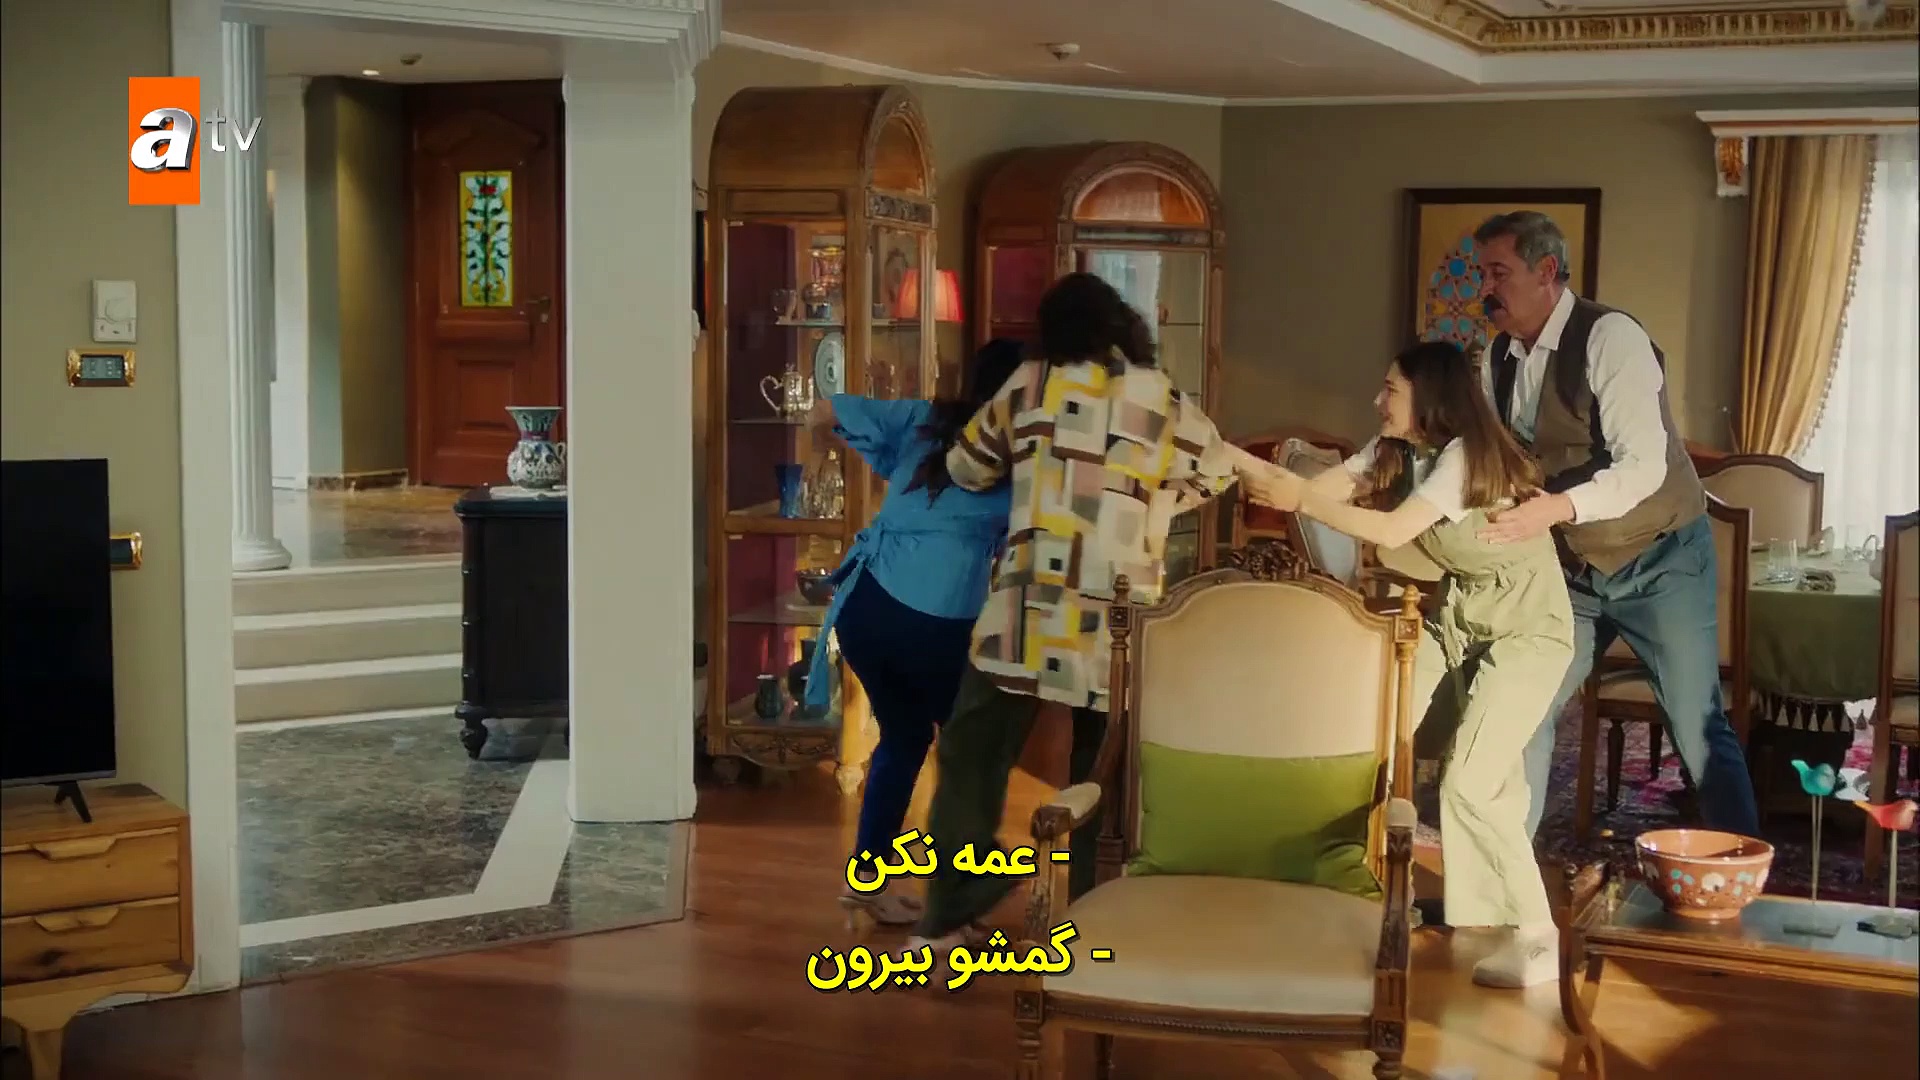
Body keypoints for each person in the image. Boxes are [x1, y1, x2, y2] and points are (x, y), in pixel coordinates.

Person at [906, 273, 1240, 955]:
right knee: (1100, 769)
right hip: (1116, 614)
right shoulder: (1158, 396)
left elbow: (966, 469)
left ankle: (952, 911)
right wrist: (1158, 503)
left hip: (1029, 608)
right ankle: (1089, 921)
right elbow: (1219, 468)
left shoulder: (1028, 384)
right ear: (1121, 325)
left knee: (972, 751)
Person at [1243, 339, 1572, 988]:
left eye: (1390, 388)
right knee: (1372, 735)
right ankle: (1363, 888)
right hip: (1462, 621)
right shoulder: (1396, 449)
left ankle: (1537, 937)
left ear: (1429, 396)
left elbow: (1391, 531)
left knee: (1470, 782)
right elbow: (1312, 489)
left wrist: (1298, 499)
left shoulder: (1462, 457)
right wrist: (1225, 463)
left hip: (1529, 632)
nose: (1377, 399)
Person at [1466, 211, 1759, 838]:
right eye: (1482, 274)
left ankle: (1741, 871)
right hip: (1573, 572)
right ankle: (1507, 866)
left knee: (1697, 727)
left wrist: (1552, 508)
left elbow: (1642, 466)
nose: (1485, 289)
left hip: (1661, 559)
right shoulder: (1497, 358)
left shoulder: (1611, 338)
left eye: (1498, 273)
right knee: (1524, 708)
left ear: (1546, 271)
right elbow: (1499, 457)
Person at [806, 340, 1027, 927]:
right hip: (929, 620)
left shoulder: (925, 419)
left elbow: (824, 411)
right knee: (971, 751)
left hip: (864, 606)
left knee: (904, 740)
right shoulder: (1018, 456)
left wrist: (825, 463)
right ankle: (958, 901)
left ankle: (867, 884)